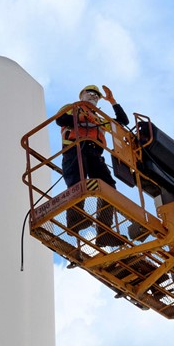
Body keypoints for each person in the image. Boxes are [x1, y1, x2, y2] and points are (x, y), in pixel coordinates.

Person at [56, 84, 129, 245]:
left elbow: (123, 121)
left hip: (94, 153)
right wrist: (82, 117)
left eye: (97, 95)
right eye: (90, 93)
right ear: (81, 94)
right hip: (74, 149)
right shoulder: (72, 108)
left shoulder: (100, 119)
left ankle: (104, 233)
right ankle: (75, 220)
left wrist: (112, 101)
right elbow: (60, 119)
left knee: (108, 187)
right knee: (77, 183)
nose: (94, 96)